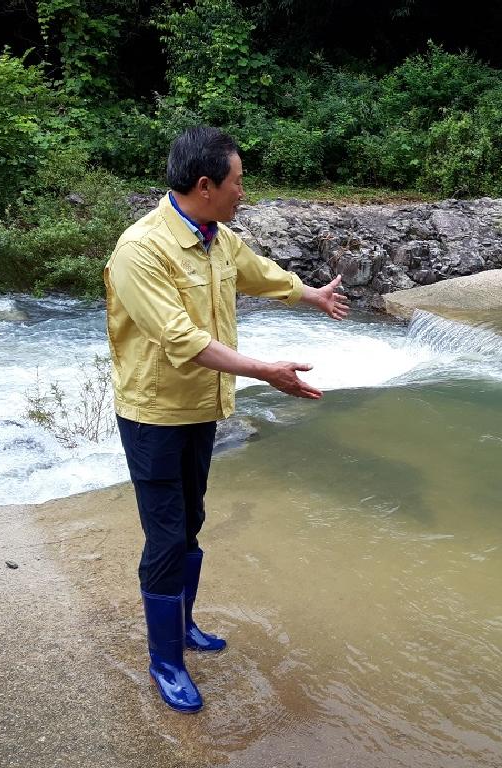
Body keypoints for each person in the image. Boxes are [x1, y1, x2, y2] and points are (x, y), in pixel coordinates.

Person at [104, 126, 349, 713]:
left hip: (201, 409)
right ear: (207, 184)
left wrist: (307, 293)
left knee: (191, 520)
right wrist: (267, 371)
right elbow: (181, 339)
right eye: (239, 181)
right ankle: (165, 661)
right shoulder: (140, 251)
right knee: (165, 536)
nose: (245, 191)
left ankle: (182, 627)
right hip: (155, 415)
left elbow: (254, 270)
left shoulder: (214, 236)